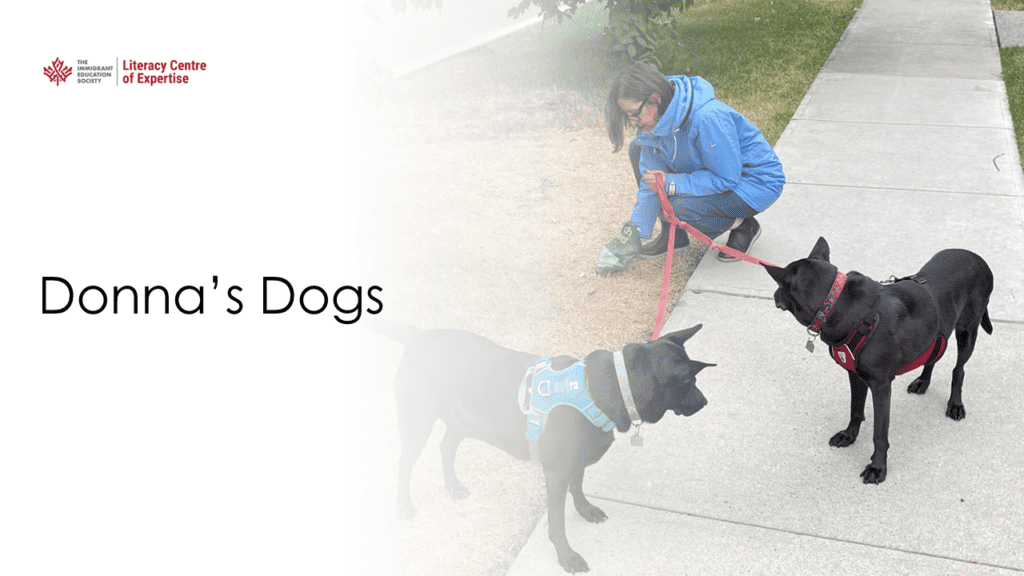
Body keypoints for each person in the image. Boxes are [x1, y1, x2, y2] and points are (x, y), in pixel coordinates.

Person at [595, 63, 785, 272]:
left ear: (654, 100)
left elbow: (726, 178)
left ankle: (743, 226)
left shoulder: (707, 117)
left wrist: (672, 183)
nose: (633, 122)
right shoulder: (654, 123)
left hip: (755, 182)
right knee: (638, 149)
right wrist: (636, 230)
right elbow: (652, 182)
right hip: (718, 173)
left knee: (679, 206)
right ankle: (674, 236)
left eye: (634, 113)